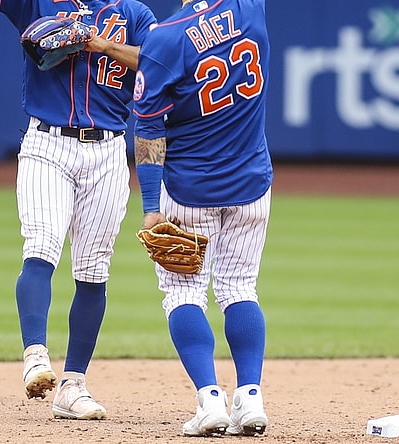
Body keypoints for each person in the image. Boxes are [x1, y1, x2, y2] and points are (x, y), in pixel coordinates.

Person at [0, 0, 156, 420]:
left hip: (110, 150)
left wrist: (99, 44)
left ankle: (73, 385)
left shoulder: (134, 14)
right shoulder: (39, 3)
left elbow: (157, 61)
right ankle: (36, 356)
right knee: (41, 247)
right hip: (48, 145)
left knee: (94, 270)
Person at [132, 0, 273, 436]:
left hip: (189, 190)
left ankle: (210, 401)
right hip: (253, 183)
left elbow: (149, 131)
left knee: (182, 292)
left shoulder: (164, 39)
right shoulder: (248, 8)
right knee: (239, 287)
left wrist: (152, 208)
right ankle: (250, 397)